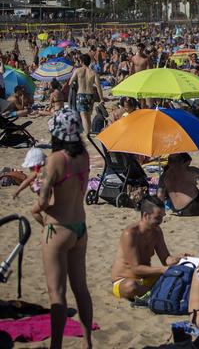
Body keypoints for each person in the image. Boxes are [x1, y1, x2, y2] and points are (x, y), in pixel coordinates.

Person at [31, 109, 93, 349]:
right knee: (81, 289)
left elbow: (45, 200)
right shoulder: (84, 156)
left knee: (56, 293)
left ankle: (55, 346)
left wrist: (34, 206)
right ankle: (88, 343)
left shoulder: (56, 158)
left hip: (57, 229)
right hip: (80, 227)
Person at [111, 196, 186, 299]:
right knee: (131, 287)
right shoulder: (130, 234)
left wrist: (178, 259)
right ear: (146, 215)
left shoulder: (157, 231)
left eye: (162, 217)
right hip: (125, 279)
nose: (161, 221)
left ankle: (152, 291)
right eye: (158, 217)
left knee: (178, 276)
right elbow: (136, 269)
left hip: (146, 278)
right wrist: (163, 270)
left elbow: (165, 259)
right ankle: (155, 290)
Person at [157, 152, 199, 216]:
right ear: (181, 161)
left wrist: (162, 211)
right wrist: (192, 170)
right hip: (196, 207)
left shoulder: (163, 176)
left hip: (179, 211)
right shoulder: (189, 170)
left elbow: (160, 195)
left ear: (169, 162)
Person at [69, 53, 104, 134]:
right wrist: (101, 98)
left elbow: (70, 82)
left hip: (81, 94)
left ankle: (87, 133)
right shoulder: (93, 72)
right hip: (90, 95)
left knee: (83, 116)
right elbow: (98, 86)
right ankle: (89, 131)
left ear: (81, 61)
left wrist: (76, 83)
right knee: (88, 115)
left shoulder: (77, 70)